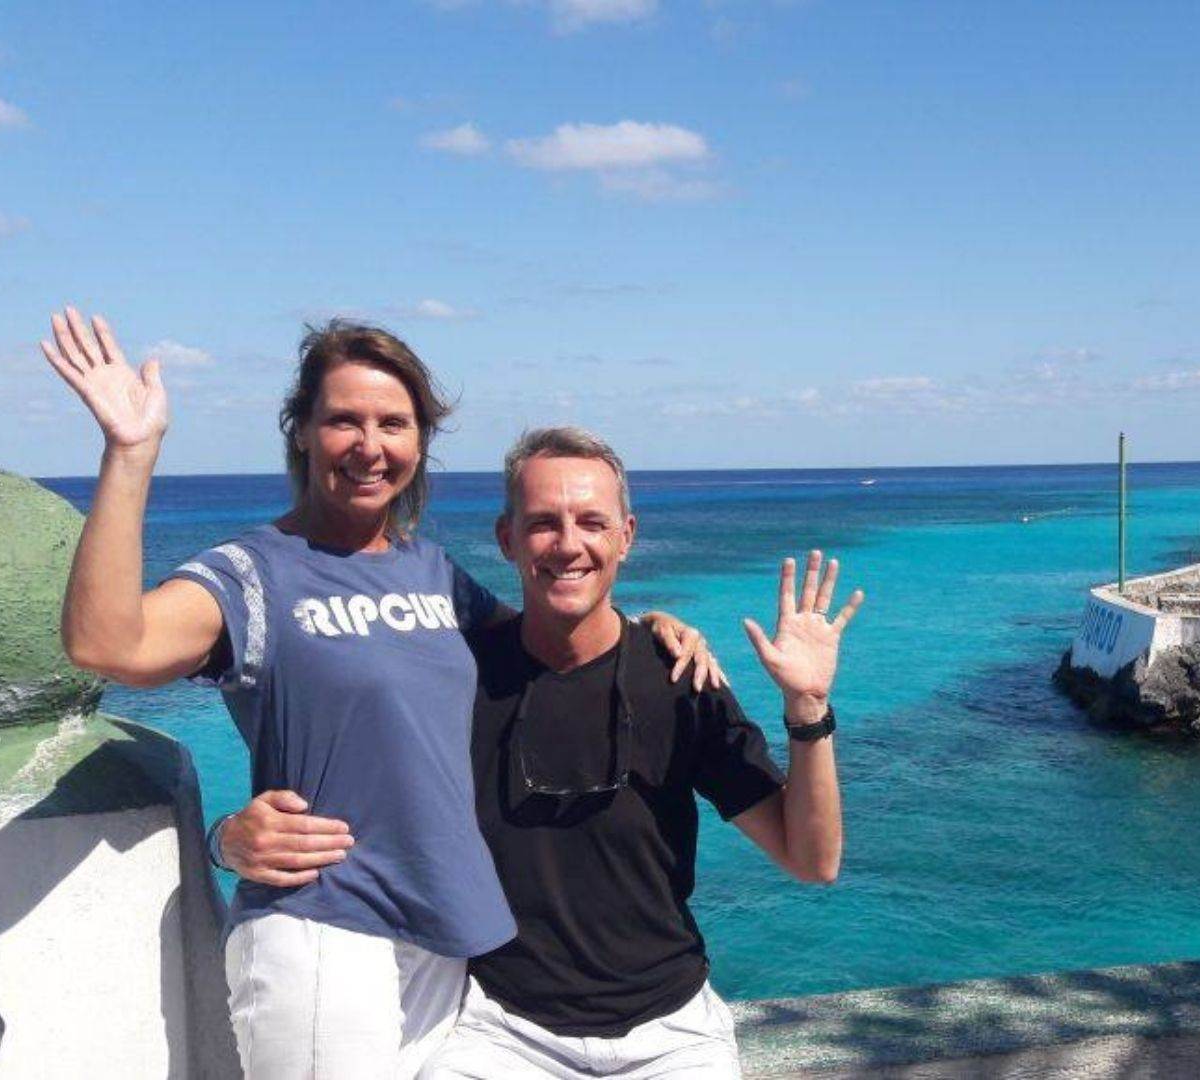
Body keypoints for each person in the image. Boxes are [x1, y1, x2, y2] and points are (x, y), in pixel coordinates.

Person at [42, 313, 718, 1079]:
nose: (370, 445)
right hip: (325, 927)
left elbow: (546, 644)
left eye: (393, 423)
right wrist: (131, 455)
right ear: (301, 431)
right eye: (343, 420)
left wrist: (649, 628)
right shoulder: (252, 574)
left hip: (441, 935)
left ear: (420, 442)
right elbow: (108, 645)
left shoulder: (431, 573)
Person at [223, 426, 862, 1078]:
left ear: (626, 536)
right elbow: (345, 792)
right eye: (543, 523)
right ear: (507, 538)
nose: (569, 544)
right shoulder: (451, 681)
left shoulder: (679, 680)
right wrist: (227, 837)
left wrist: (807, 711)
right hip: (500, 1032)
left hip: (673, 1033)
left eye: (591, 522)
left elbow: (812, 859)